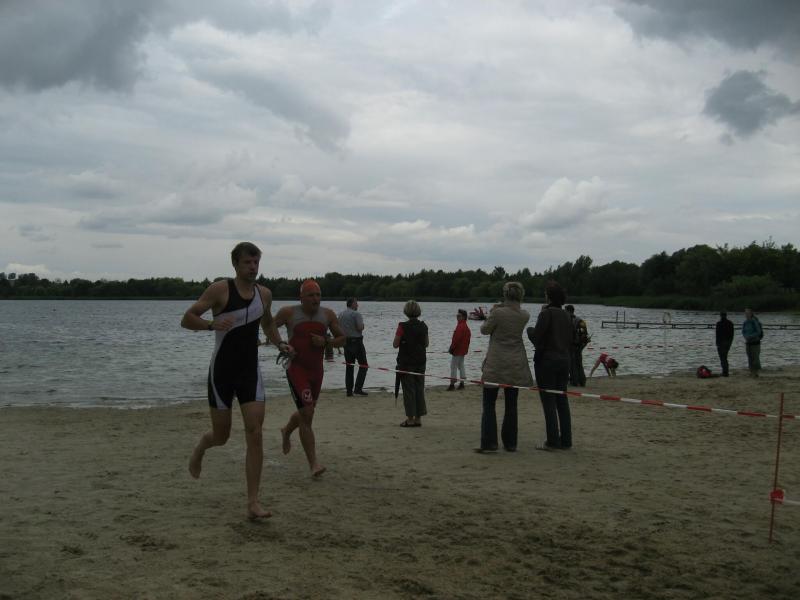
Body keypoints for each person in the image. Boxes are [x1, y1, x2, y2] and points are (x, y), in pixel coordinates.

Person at [181, 241, 286, 520]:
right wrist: (210, 324)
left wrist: (280, 343)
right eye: (247, 262)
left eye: (256, 262)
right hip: (222, 372)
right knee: (222, 436)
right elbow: (187, 318)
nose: (253, 267)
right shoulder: (220, 290)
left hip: (249, 372)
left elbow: (268, 323)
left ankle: (253, 502)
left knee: (255, 431)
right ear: (235, 265)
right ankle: (201, 448)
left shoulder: (264, 294)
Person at [274, 279, 345, 477]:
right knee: (307, 413)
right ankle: (314, 463)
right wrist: (281, 344)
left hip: (316, 371)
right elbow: (269, 326)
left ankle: (286, 430)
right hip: (296, 369)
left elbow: (343, 339)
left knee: (308, 411)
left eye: (318, 295)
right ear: (301, 297)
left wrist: (326, 341)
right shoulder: (288, 313)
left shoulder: (328, 315)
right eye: (311, 295)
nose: (316, 299)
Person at [476, 282, 533, 453]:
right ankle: (510, 443)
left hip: (496, 362)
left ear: (505, 295)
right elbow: (513, 312)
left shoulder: (498, 313)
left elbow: (484, 330)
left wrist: (494, 311)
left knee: (489, 403)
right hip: (515, 362)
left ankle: (489, 443)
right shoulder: (524, 315)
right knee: (511, 404)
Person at [528, 281, 573, 451]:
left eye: (546, 294)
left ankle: (553, 441)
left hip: (547, 361)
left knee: (548, 401)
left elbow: (536, 337)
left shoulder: (546, 314)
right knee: (562, 399)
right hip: (565, 360)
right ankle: (566, 440)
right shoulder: (567, 315)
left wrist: (529, 330)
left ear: (549, 297)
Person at [393, 300, 429, 427]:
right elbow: (426, 344)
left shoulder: (402, 326)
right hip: (420, 361)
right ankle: (418, 418)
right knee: (419, 389)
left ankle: (410, 419)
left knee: (409, 390)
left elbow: (395, 344)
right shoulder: (424, 326)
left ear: (406, 312)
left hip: (406, 362)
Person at [338, 297, 369, 396]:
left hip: (346, 342)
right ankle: (358, 388)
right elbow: (360, 328)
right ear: (351, 304)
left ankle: (349, 391)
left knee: (349, 366)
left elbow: (338, 328)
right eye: (356, 303)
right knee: (364, 365)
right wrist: (363, 326)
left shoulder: (341, 314)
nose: (358, 305)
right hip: (356, 341)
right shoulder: (356, 314)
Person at [447, 309, 471, 391]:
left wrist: (451, 348)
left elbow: (456, 339)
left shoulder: (460, 326)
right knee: (461, 365)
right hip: (463, 350)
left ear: (464, 317)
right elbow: (467, 340)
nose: (457, 317)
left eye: (459, 316)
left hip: (457, 350)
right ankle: (462, 383)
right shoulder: (466, 327)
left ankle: (452, 384)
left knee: (453, 366)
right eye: (457, 315)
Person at [564, 304, 588, 386]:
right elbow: (585, 334)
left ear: (568, 311)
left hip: (572, 345)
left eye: (565, 311)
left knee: (572, 364)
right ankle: (582, 381)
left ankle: (574, 381)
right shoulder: (580, 320)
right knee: (579, 363)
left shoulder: (569, 320)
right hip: (580, 345)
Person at [742, 308, 763, 377]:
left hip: (755, 342)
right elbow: (743, 331)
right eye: (745, 313)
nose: (746, 315)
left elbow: (759, 332)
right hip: (748, 342)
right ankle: (751, 372)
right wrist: (745, 336)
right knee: (749, 357)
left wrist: (751, 336)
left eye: (747, 313)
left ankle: (755, 372)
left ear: (751, 314)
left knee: (755, 358)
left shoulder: (754, 321)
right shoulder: (745, 322)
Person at [715, 311, 734, 377]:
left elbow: (717, 334)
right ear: (726, 315)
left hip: (721, 342)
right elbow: (732, 335)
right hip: (728, 342)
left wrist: (717, 343)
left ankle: (725, 372)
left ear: (720, 316)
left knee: (722, 357)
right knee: (724, 357)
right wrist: (730, 342)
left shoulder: (719, 323)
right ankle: (725, 371)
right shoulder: (730, 323)